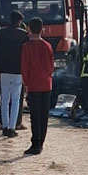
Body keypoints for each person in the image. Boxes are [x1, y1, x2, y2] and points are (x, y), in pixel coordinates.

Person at [21, 17, 54, 155]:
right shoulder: (47, 46)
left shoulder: (26, 47)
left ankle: (35, 143)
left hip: (34, 85)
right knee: (44, 114)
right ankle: (41, 143)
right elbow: (51, 66)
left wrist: (26, 84)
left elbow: (24, 67)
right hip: (46, 84)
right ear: (42, 29)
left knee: (35, 116)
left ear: (28, 28)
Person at [0, 10, 28, 137]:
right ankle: (12, 128)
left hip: (3, 71)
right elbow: (25, 55)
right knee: (15, 100)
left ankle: (5, 126)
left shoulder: (1, 34)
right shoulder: (24, 35)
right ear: (19, 21)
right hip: (18, 72)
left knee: (4, 99)